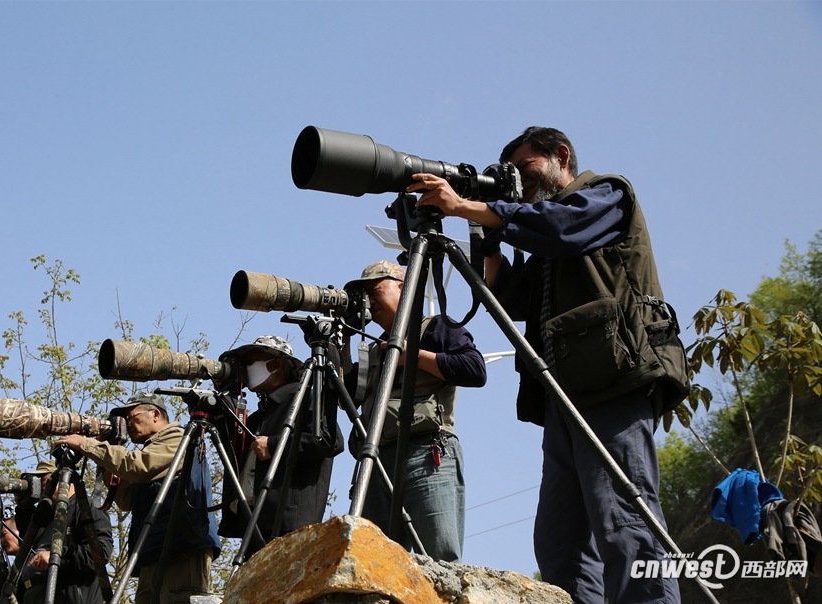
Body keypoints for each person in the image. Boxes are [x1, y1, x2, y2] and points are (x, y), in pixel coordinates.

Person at [408, 127, 689, 603]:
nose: (520, 179)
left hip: (614, 381)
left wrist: (464, 205)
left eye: (526, 167)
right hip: (564, 392)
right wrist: (485, 235)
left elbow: (559, 227)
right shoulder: (539, 229)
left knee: (624, 519)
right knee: (560, 542)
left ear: (561, 155)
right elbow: (512, 297)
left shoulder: (606, 195)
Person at [341, 260, 487, 563]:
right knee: (372, 562)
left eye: (374, 290)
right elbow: (345, 397)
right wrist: (340, 344)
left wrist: (415, 356)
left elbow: (475, 370)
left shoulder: (435, 327)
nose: (368, 301)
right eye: (363, 295)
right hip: (377, 459)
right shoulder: (373, 350)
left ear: (403, 287)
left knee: (439, 557)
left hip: (427, 452)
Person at [56, 392, 221, 604]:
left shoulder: (179, 438)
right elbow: (127, 500)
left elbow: (138, 466)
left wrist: (88, 445)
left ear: (155, 414)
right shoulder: (152, 450)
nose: (128, 425)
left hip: (182, 549)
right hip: (154, 550)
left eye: (132, 417)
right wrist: (105, 458)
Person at [218, 335, 343, 554]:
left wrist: (275, 446)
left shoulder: (305, 399)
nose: (246, 370)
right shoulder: (259, 416)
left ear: (276, 363)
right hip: (254, 523)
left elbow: (330, 441)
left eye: (251, 362)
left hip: (289, 525)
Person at [15, 458, 113, 604]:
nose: (40, 486)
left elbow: (101, 552)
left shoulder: (86, 508)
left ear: (62, 477)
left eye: (44, 480)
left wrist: (57, 556)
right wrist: (23, 507)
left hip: (69, 596)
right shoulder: (48, 513)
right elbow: (27, 539)